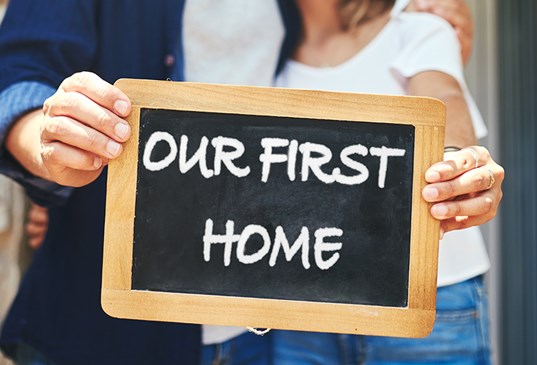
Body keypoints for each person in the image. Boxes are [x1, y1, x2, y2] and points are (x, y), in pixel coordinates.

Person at [0, 1, 503, 365]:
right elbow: (21, 78)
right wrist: (48, 148)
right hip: (113, 327)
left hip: (279, 324)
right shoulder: (297, 33)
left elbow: (440, 97)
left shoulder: (340, 21)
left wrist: (458, 163)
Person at [268, 0, 500, 363]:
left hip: (425, 300)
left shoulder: (415, 27)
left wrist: (456, 160)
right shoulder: (268, 54)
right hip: (303, 309)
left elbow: (444, 97)